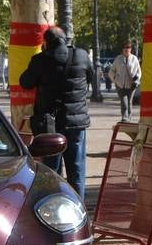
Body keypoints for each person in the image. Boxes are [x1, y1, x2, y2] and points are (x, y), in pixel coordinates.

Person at [18, 26, 95, 198]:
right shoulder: (82, 56)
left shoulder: (39, 60)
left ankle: (54, 207)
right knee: (77, 169)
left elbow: (25, 82)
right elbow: (90, 77)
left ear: (45, 43)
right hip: (76, 123)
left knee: (52, 171)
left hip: (49, 125)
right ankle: (78, 208)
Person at [110, 42, 141, 122]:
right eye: (124, 47)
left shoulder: (134, 59)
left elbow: (139, 71)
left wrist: (137, 80)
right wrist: (115, 80)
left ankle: (129, 118)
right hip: (120, 85)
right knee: (124, 102)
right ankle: (124, 118)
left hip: (131, 84)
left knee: (129, 102)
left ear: (130, 49)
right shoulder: (118, 59)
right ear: (122, 49)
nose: (126, 49)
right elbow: (112, 71)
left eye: (128, 47)